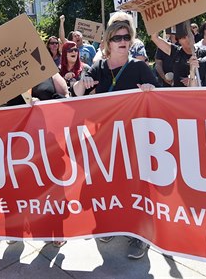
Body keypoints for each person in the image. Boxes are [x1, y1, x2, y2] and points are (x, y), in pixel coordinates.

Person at [73, 19, 155, 259]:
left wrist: (151, 88)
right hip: (106, 137)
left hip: (134, 137)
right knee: (107, 183)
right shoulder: (98, 67)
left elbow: (159, 96)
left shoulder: (140, 67)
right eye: (117, 38)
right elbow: (77, 93)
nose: (123, 42)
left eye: (126, 37)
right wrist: (82, 82)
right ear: (108, 42)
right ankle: (109, 224)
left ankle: (140, 236)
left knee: (136, 185)